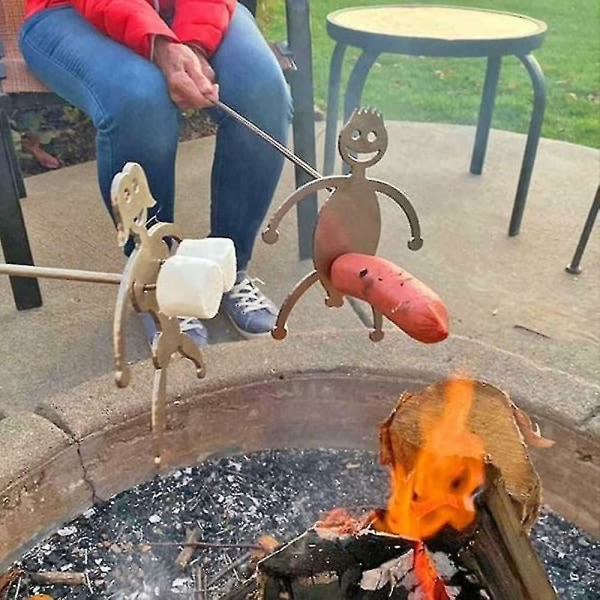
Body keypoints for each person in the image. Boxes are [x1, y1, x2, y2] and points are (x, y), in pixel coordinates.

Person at [19, 0, 293, 344]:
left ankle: (227, 266)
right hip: (68, 11)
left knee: (261, 91)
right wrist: (160, 45)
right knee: (140, 100)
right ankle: (155, 280)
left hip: (190, 9)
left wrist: (194, 44)